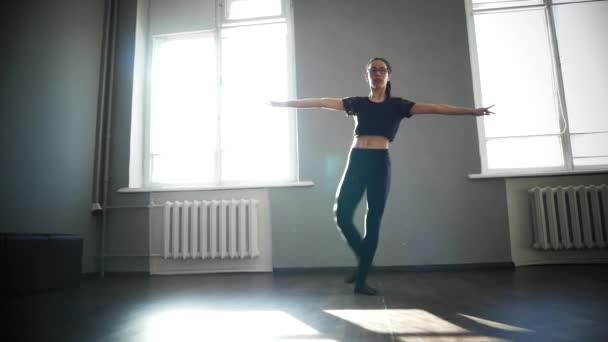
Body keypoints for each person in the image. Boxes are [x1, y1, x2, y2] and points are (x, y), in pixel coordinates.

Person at [268, 57, 495, 295]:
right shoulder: (357, 103)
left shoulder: (398, 105)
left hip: (379, 164)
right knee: (342, 215)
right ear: (366, 75)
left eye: (382, 70)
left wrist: (473, 112)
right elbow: (319, 102)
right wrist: (283, 104)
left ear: (389, 75)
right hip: (356, 161)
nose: (377, 73)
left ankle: (361, 280)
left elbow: (437, 108)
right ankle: (364, 259)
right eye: (373, 70)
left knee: (372, 219)